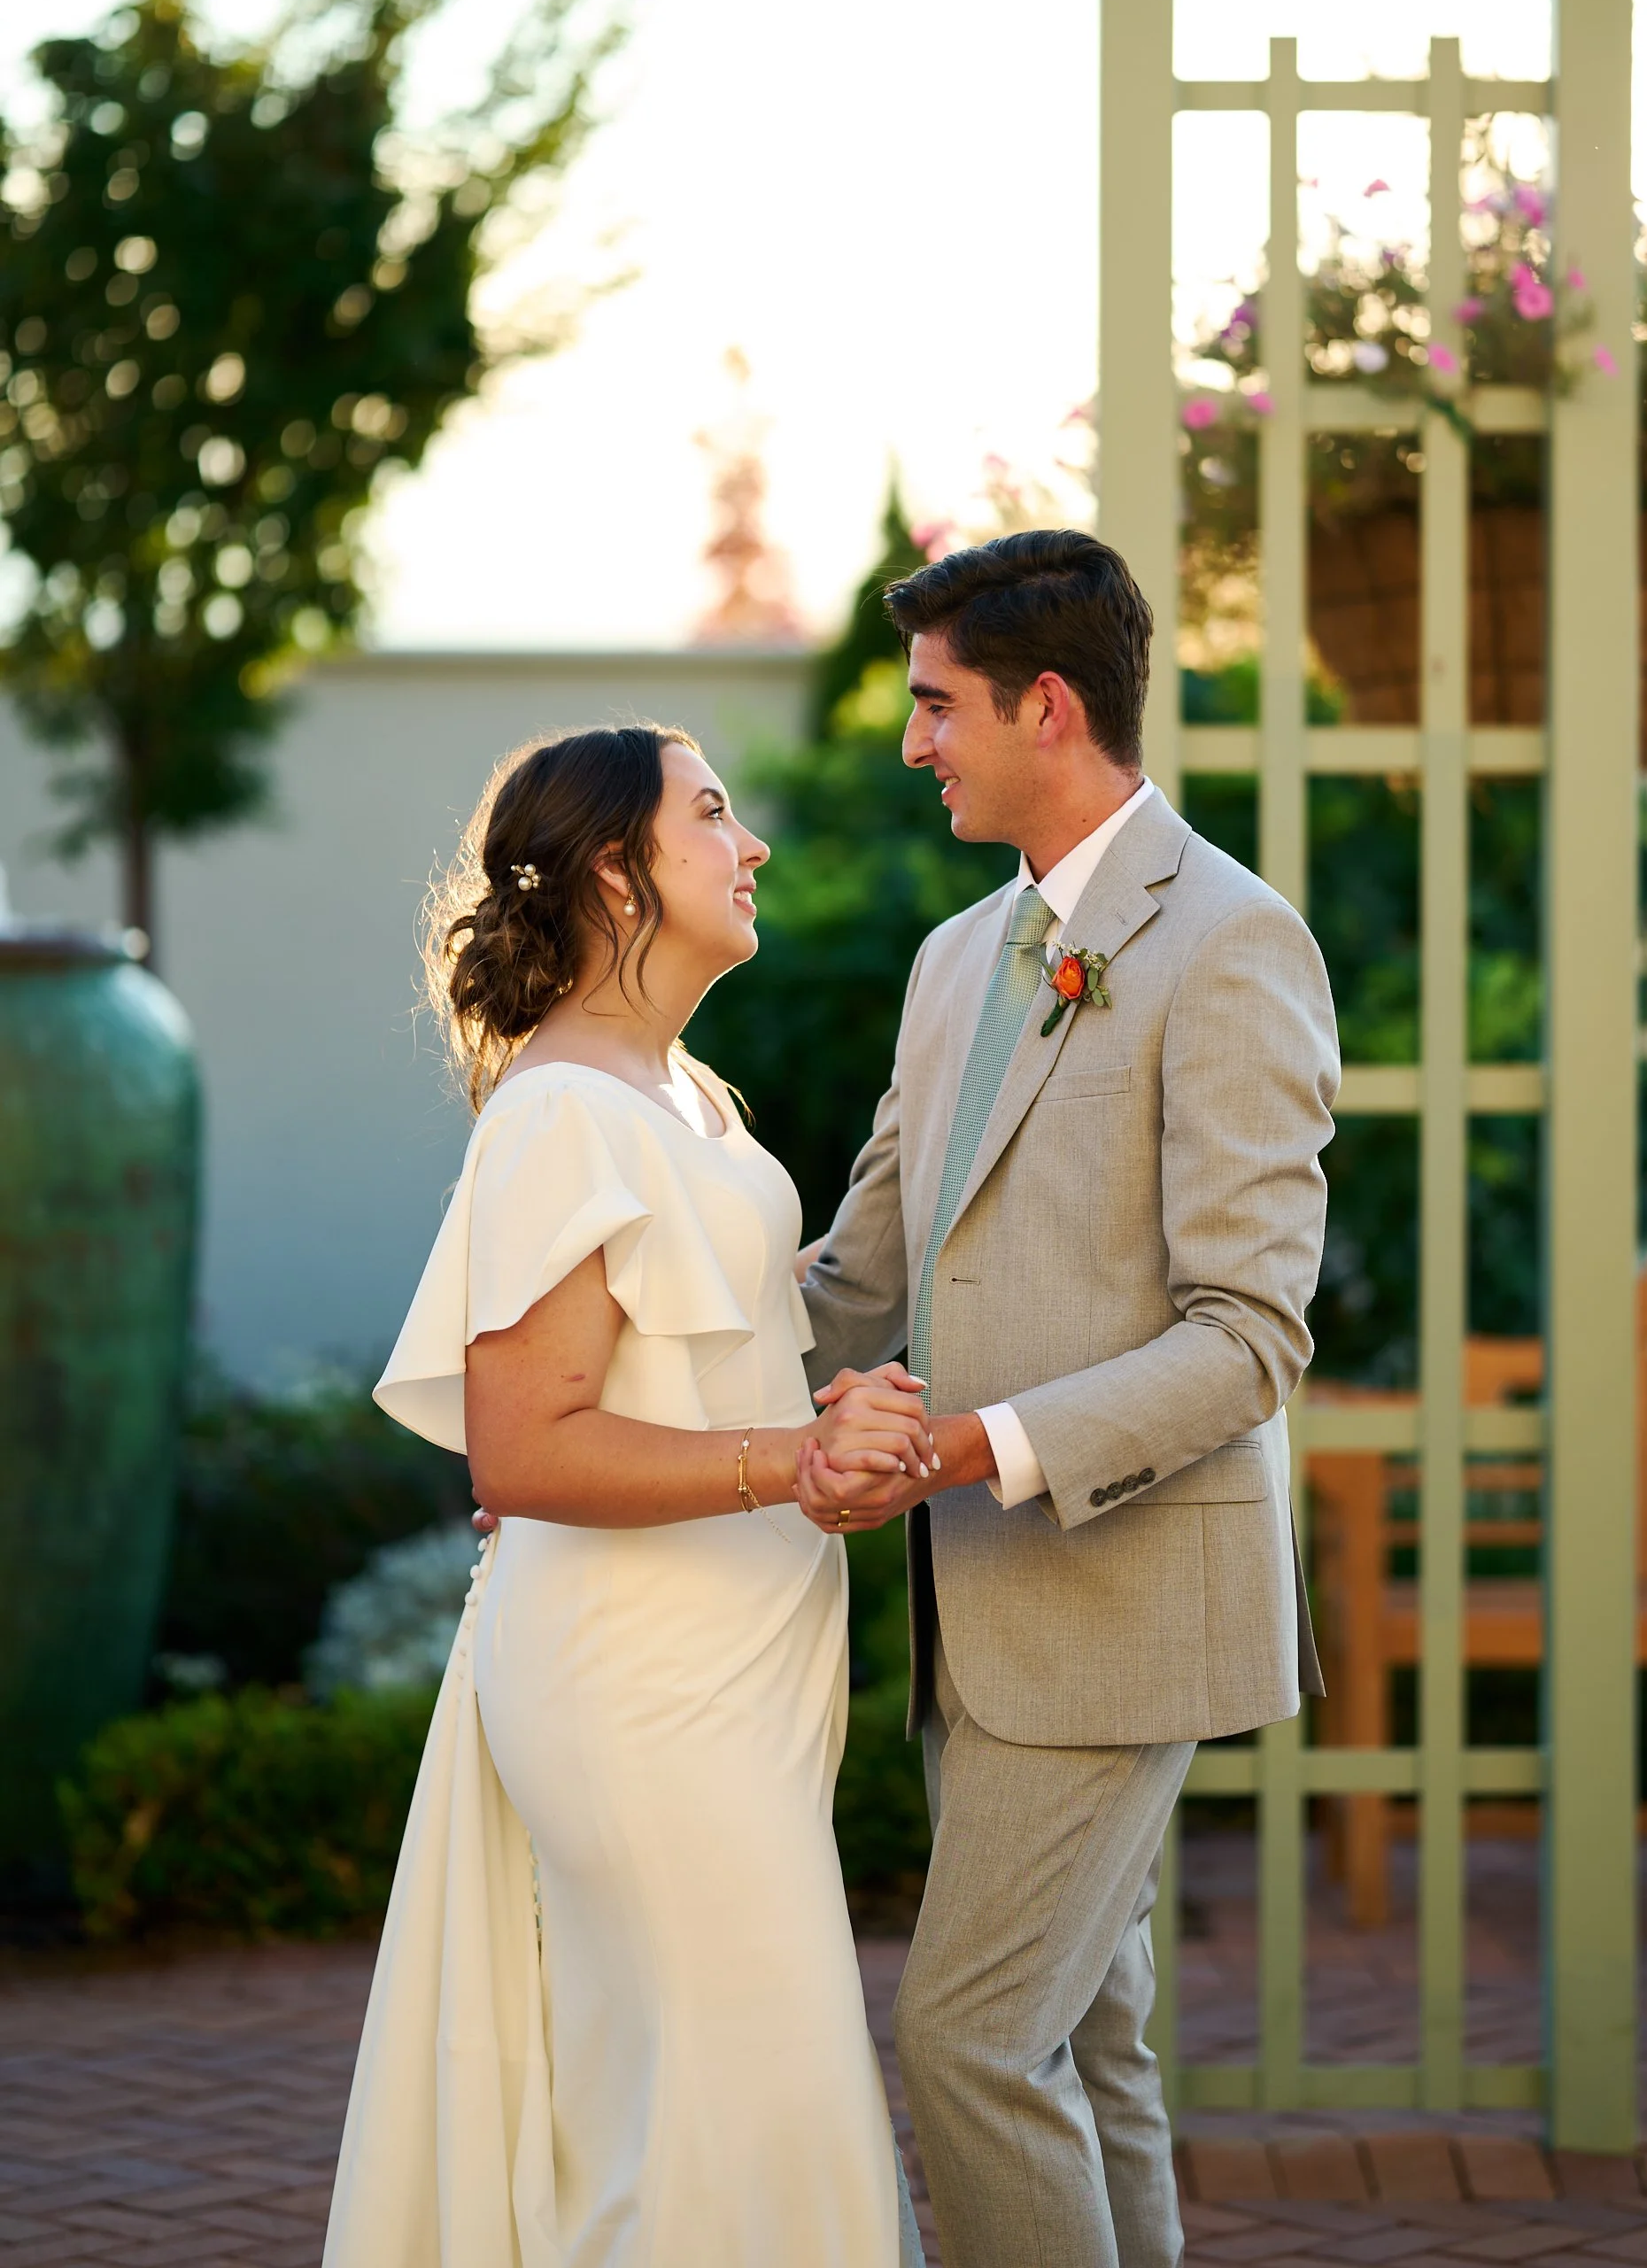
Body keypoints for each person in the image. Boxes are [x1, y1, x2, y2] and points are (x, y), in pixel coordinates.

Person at [794, 529, 1338, 2268]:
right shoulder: (957, 957)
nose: (913, 744)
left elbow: (1247, 1334)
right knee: (1090, 2049)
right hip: (975, 1614)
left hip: (1121, 1601)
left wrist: (974, 1448)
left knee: (967, 2040)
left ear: (1046, 705)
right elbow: (864, 1267)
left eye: (935, 706)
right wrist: (626, 1407)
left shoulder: (1234, 942)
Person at [322, 724, 927, 2268]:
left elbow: (705, 1341)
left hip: (733, 1674)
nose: (752, 844)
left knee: (709, 2114)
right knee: (742, 2122)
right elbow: (522, 1452)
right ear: (614, 870)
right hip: (641, 1693)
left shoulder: (684, 1092)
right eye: (712, 814)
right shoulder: (560, 1113)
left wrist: (844, 1403)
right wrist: (794, 1461)